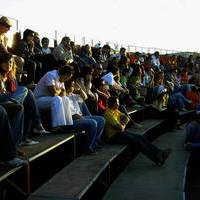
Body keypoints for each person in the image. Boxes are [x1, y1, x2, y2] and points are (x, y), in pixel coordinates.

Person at [104, 96, 171, 165]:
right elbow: (120, 127)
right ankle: (157, 157)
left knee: (140, 137)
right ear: (113, 104)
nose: (118, 104)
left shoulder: (116, 111)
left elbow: (127, 118)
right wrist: (123, 125)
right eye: (117, 103)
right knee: (137, 141)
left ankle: (158, 154)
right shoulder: (108, 114)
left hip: (120, 133)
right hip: (114, 136)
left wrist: (122, 124)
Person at [65, 80, 105, 154]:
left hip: (79, 118)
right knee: (92, 123)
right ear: (68, 86)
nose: (74, 87)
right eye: (73, 85)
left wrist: (80, 89)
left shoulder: (72, 95)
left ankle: (93, 143)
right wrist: (84, 118)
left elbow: (85, 97)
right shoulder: (64, 97)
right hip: (72, 121)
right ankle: (87, 148)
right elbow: (73, 115)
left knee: (101, 119)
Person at [33, 65, 73, 132]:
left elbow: (64, 94)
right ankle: (56, 126)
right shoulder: (50, 75)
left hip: (47, 99)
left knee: (66, 99)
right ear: (64, 74)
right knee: (57, 99)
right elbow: (54, 93)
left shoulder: (61, 79)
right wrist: (60, 90)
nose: (67, 80)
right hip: (38, 100)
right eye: (67, 78)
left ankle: (68, 125)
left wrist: (60, 91)